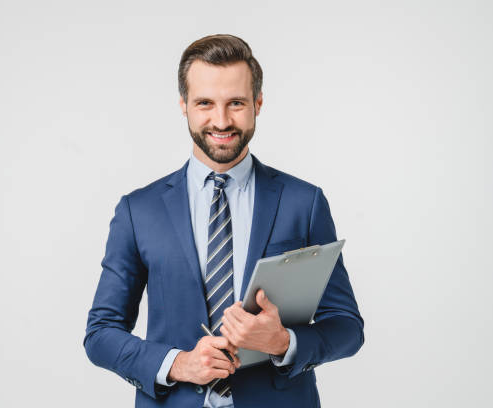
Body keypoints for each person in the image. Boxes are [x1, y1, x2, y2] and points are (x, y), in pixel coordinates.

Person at [84, 34, 364, 408]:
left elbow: (347, 327)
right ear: (183, 105)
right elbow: (100, 333)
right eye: (204, 103)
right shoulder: (139, 211)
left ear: (258, 104)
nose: (221, 120)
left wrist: (282, 342)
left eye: (236, 103)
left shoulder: (304, 202)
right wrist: (178, 364)